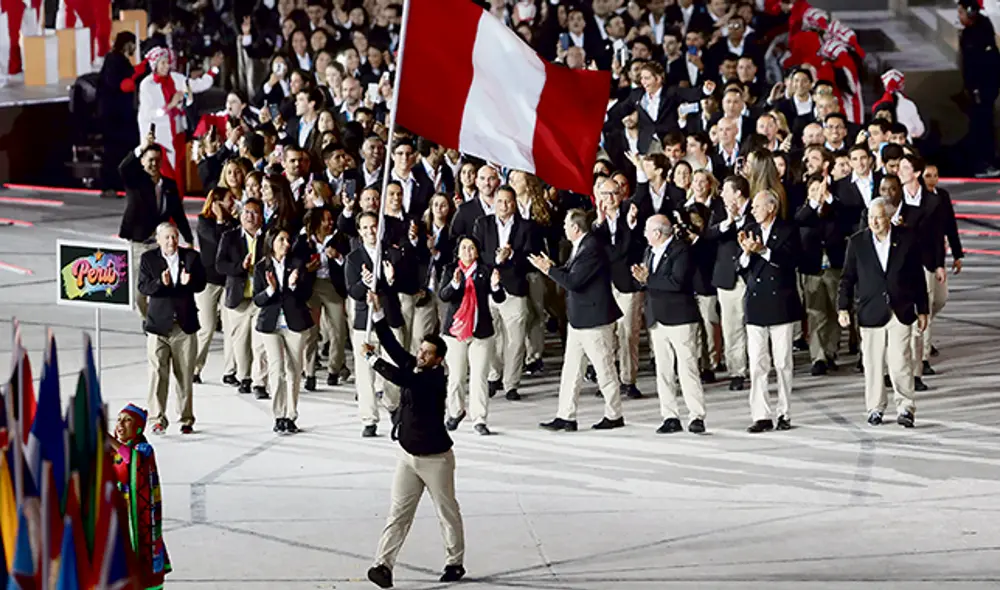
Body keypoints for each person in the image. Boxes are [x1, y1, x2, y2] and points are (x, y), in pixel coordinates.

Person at [363, 294, 466, 588]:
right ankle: (382, 565)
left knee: (447, 511)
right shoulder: (415, 366)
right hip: (407, 456)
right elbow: (394, 348)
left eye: (427, 353)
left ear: (439, 359)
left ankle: (454, 561)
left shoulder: (433, 379)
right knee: (398, 513)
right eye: (420, 350)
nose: (421, 356)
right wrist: (378, 314)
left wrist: (372, 359)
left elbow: (401, 378)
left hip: (435, 459)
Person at [530, 209, 626, 432]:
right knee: (571, 370)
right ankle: (566, 416)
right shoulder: (581, 246)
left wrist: (549, 270)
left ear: (575, 227)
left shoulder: (591, 247)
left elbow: (574, 281)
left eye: (566, 224)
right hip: (578, 319)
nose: (564, 228)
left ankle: (614, 414)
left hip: (594, 320)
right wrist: (552, 267)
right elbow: (570, 272)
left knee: (604, 368)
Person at [838, 197, 929, 428]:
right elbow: (847, 278)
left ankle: (905, 407)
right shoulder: (857, 242)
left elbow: (917, 277)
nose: (874, 222)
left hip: (900, 310)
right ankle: (875, 408)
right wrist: (843, 307)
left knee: (900, 363)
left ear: (889, 217)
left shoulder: (906, 239)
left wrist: (923, 310)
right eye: (870, 217)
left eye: (878, 217)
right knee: (873, 364)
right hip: (870, 312)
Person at [631, 215, 707, 434]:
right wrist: (640, 279)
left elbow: (677, 282)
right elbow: (648, 282)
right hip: (657, 317)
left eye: (647, 230)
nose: (644, 234)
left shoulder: (681, 250)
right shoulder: (649, 251)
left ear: (657, 233)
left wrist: (648, 279)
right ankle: (670, 415)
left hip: (680, 317)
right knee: (663, 369)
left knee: (687, 367)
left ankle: (696, 415)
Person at [738, 190, 802, 433]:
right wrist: (746, 252)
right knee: (757, 363)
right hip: (755, 303)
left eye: (757, 206)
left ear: (771, 208)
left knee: (783, 361)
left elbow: (791, 260)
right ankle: (761, 414)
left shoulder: (788, 229)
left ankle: (784, 412)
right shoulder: (749, 229)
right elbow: (740, 267)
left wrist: (763, 250)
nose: (753, 210)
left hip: (781, 303)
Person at [138, 222, 207, 434]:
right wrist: (160, 282)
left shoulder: (191, 257)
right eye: (167, 237)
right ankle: (157, 419)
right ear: (158, 240)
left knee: (185, 375)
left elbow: (201, 284)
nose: (171, 241)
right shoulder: (148, 259)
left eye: (175, 236)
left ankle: (186, 419)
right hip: (158, 326)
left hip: (184, 327)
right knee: (157, 374)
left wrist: (189, 282)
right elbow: (143, 287)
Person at [120, 132, 193, 318]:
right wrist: (142, 147)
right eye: (150, 160)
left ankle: (159, 322)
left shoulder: (169, 185)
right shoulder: (135, 181)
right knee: (139, 293)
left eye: (157, 160)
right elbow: (124, 167)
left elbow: (178, 213)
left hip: (161, 244)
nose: (154, 164)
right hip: (139, 243)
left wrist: (189, 238)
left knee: (163, 284)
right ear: (142, 161)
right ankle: (147, 320)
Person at [439, 237, 506, 435]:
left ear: (477, 252)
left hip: (481, 332)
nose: (467, 251)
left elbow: (499, 298)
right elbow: (444, 295)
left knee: (479, 377)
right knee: (456, 376)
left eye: (471, 248)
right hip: (455, 332)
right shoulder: (451, 270)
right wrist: (454, 284)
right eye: (464, 248)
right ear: (458, 251)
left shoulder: (486, 270)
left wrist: (495, 286)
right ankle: (455, 412)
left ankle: (479, 418)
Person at [137, 46, 223, 194]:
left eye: (168, 62)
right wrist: (170, 105)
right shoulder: (147, 85)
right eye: (163, 63)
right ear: (154, 65)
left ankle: (176, 203)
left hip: (177, 132)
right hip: (158, 136)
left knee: (178, 171)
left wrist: (213, 69)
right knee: (162, 172)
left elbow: (199, 85)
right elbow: (149, 114)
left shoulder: (176, 78)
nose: (167, 66)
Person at [253, 228, 314, 434]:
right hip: (271, 325)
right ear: (271, 242)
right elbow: (258, 299)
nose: (286, 244)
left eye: (288, 240)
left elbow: (307, 294)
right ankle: (279, 415)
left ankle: (291, 415)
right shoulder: (261, 267)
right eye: (281, 240)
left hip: (294, 323)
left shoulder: (297, 264)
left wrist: (293, 285)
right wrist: (271, 290)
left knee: (294, 371)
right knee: (276, 369)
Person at [111, 404, 172, 589]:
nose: (120, 424)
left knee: (144, 562)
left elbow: (132, 460)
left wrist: (108, 439)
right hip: (119, 517)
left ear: (138, 428)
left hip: (140, 519)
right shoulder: (112, 452)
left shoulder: (144, 450)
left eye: (127, 420)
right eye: (118, 420)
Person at [216, 198, 270, 398]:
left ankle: (259, 382)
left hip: (261, 298)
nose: (250, 216)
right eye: (246, 212)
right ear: (240, 216)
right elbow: (220, 265)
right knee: (240, 343)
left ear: (262, 217)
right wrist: (241, 266)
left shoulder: (269, 237)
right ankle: (244, 377)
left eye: (254, 212)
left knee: (260, 343)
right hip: (238, 298)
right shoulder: (229, 237)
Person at [193, 188, 239, 385]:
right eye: (229, 200)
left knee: (231, 329)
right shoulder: (204, 222)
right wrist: (220, 219)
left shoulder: (234, 224)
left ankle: (230, 371)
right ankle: (194, 368)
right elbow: (218, 244)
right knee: (207, 327)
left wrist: (226, 221)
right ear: (217, 203)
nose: (233, 203)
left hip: (228, 281)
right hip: (208, 281)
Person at [957, 0, 1000, 177]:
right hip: (976, 90)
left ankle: (985, 162)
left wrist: (977, 89)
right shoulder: (970, 32)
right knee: (978, 125)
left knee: (983, 126)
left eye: (961, 12)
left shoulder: (981, 32)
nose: (959, 17)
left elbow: (985, 64)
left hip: (983, 90)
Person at [98, 31, 140, 197]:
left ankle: (121, 184)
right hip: (115, 116)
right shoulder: (114, 61)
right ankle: (110, 185)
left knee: (122, 150)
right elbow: (117, 84)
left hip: (120, 116)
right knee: (113, 151)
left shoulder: (118, 61)